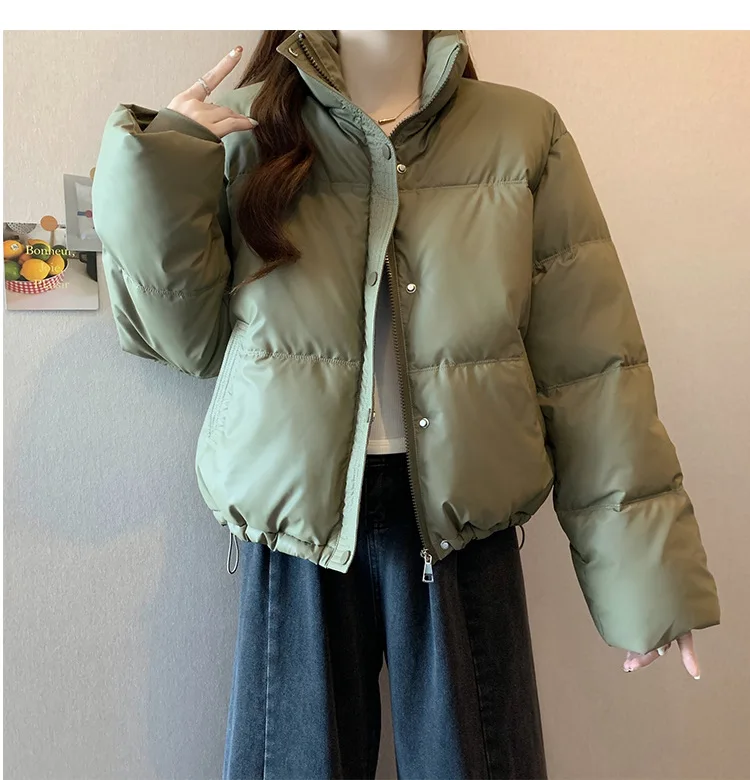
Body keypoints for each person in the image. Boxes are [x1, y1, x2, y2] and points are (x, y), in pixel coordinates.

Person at [91, 30, 721, 780]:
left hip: (463, 522)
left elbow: (591, 366)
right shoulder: (245, 129)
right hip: (296, 522)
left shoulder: (522, 132)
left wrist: (647, 579)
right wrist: (164, 163)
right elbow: (181, 342)